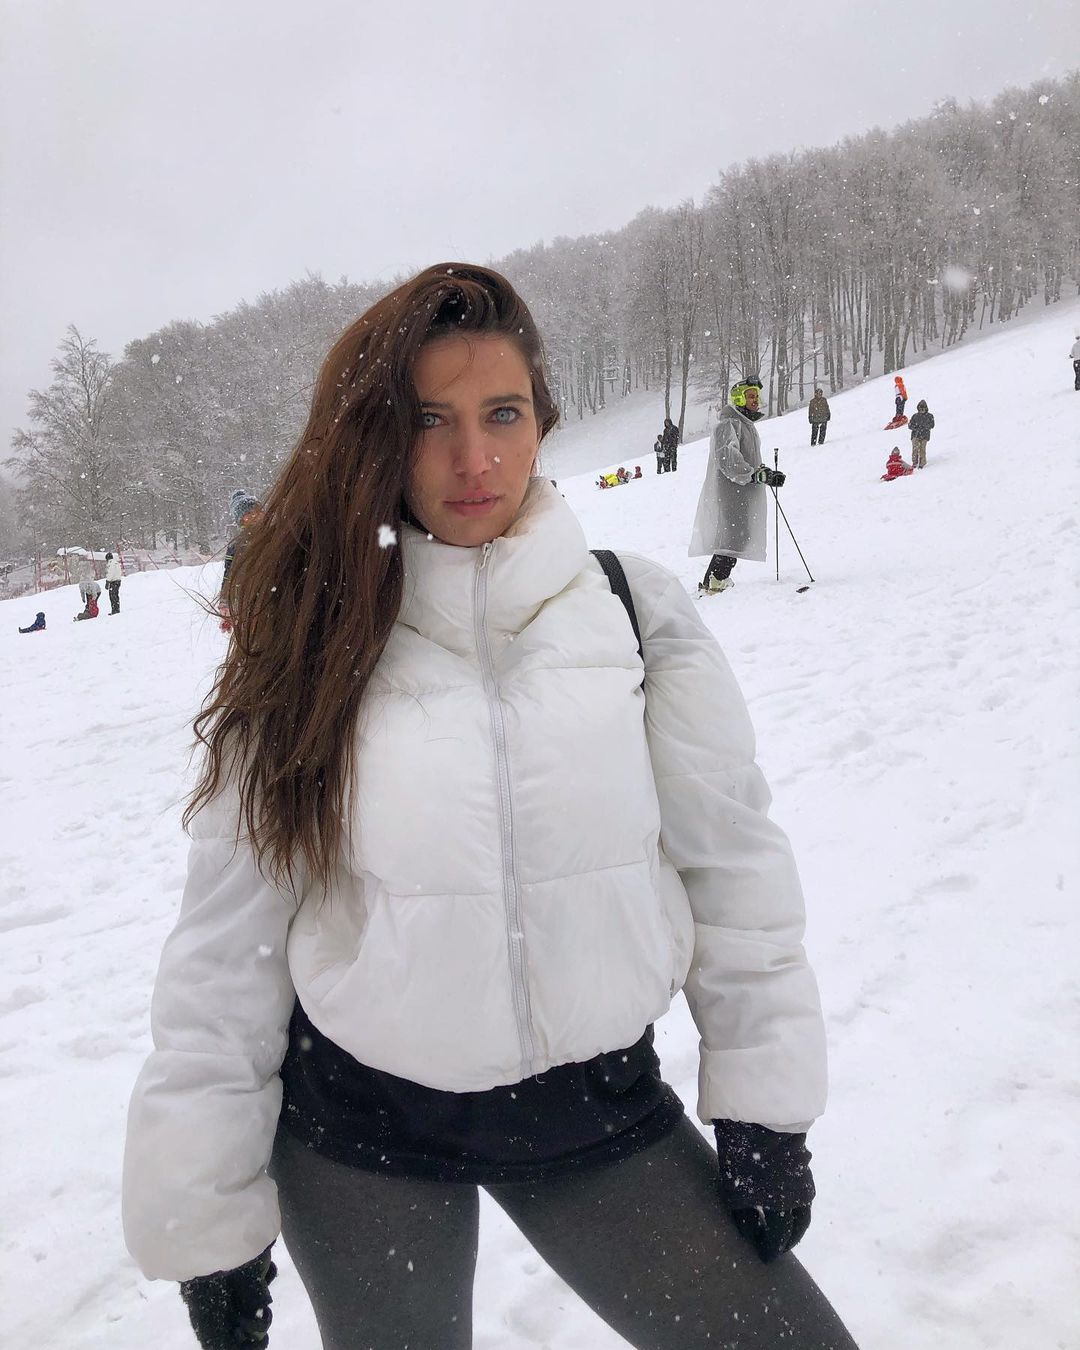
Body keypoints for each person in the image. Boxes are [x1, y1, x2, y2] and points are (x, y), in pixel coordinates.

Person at [122, 264, 857, 1350]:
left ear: (543, 420)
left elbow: (733, 867)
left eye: (502, 414)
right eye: (431, 421)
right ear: (379, 437)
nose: (474, 459)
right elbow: (227, 948)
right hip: (363, 1132)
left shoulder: (632, 610)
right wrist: (204, 1211)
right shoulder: (313, 639)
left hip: (592, 1110)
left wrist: (763, 1103)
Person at [690, 380, 785, 595]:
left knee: (739, 535)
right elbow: (728, 460)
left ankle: (715, 579)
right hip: (731, 491)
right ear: (740, 398)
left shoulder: (745, 424)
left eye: (756, 396)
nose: (755, 400)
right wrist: (755, 475)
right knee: (733, 536)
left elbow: (747, 458)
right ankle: (716, 580)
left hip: (743, 490)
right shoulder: (728, 424)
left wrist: (765, 473)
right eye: (750, 396)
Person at [219, 491, 263, 633]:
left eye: (257, 511)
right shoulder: (237, 545)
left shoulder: (275, 533)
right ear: (241, 520)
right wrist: (225, 605)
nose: (255, 515)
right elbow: (229, 575)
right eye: (248, 513)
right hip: (252, 600)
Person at [908, 399, 935, 469]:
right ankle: (914, 462)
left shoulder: (930, 416)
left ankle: (922, 462)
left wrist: (925, 427)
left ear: (926, 408)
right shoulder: (915, 416)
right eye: (921, 407)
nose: (922, 409)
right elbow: (910, 425)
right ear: (918, 408)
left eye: (923, 407)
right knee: (915, 449)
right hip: (915, 434)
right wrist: (915, 427)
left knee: (922, 449)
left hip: (925, 435)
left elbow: (932, 425)